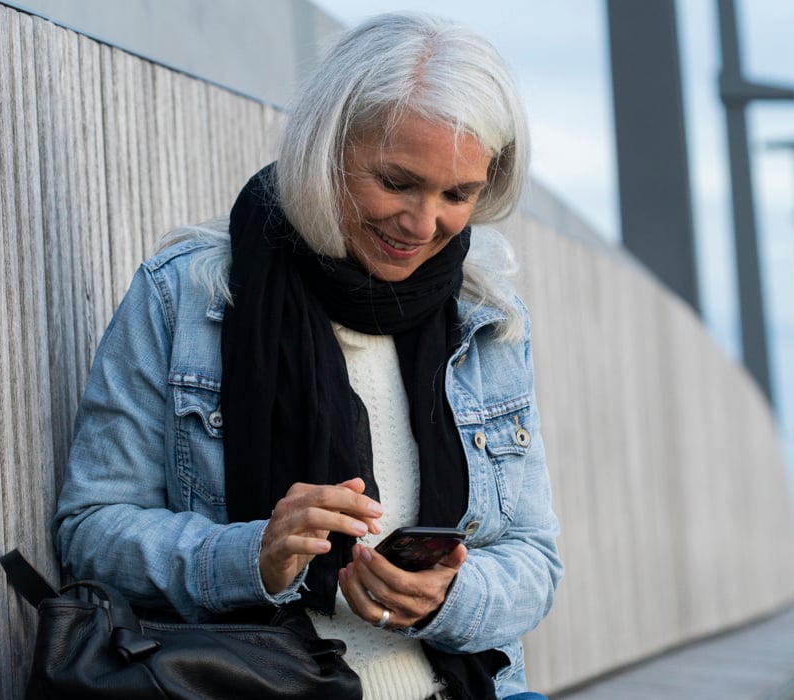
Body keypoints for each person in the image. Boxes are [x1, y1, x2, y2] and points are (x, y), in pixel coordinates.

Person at [53, 12, 562, 699]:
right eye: (397, 181)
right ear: (327, 149)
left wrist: (449, 596)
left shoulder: (488, 321)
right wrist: (252, 555)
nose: (422, 223)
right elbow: (91, 531)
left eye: (458, 194)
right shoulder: (183, 297)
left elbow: (534, 560)